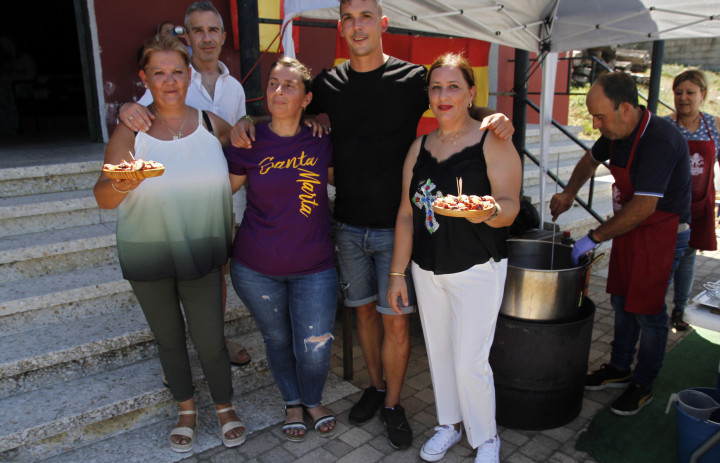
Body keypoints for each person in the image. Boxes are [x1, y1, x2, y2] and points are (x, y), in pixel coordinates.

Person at [230, 0, 514, 450]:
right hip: (346, 225)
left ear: (382, 23)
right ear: (340, 26)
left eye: (366, 16)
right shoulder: (328, 83)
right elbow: (288, 104)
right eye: (348, 18)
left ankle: (394, 404)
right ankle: (378, 387)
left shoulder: (412, 79)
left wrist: (493, 120)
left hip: (398, 227)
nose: (357, 26)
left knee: (396, 322)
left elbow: (453, 101)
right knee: (363, 314)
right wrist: (249, 122)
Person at [93, 35, 245, 452]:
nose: (170, 80)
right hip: (148, 253)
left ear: (189, 74)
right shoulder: (132, 129)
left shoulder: (213, 124)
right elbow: (103, 197)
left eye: (177, 71)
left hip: (202, 252)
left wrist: (255, 126)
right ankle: (186, 410)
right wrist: (131, 175)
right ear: (145, 78)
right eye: (158, 73)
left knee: (212, 340)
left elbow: (249, 157)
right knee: (170, 339)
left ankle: (224, 406)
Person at [387, 53, 521, 462]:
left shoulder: (491, 139)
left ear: (470, 93)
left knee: (469, 362)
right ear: (428, 95)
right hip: (427, 269)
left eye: (453, 87)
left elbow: (511, 204)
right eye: (436, 87)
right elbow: (408, 214)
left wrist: (490, 212)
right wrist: (397, 273)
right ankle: (449, 423)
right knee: (441, 354)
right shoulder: (419, 147)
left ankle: (486, 439)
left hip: (477, 267)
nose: (443, 95)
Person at [550, 72, 691, 416]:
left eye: (601, 116)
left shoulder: (661, 139)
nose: (596, 124)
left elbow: (645, 206)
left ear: (626, 108)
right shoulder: (614, 134)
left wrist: (592, 237)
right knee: (621, 299)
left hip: (663, 231)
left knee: (649, 311)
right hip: (630, 228)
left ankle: (643, 384)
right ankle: (618, 368)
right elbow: (589, 160)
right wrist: (569, 192)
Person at [119, 1, 250, 368]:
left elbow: (237, 136)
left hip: (221, 194)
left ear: (223, 37)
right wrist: (124, 107)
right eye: (198, 30)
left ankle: (214, 337)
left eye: (213, 30)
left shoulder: (235, 87)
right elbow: (136, 114)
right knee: (173, 272)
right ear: (187, 36)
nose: (206, 38)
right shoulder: (174, 75)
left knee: (214, 270)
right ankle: (178, 349)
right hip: (172, 202)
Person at [225, 56, 338, 442]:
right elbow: (222, 190)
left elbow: (357, 173)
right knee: (277, 340)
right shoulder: (249, 140)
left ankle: (313, 397)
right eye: (273, 83)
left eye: (289, 85)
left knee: (315, 346)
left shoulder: (322, 140)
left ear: (307, 99)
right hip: (256, 266)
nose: (278, 91)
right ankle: (293, 402)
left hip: (316, 266)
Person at [663, 69, 720, 332]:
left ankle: (680, 310)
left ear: (702, 95)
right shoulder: (665, 125)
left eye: (690, 92)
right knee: (666, 260)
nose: (683, 98)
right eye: (678, 92)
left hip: (701, 205)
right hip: (670, 208)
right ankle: (656, 310)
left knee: (688, 258)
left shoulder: (714, 125)